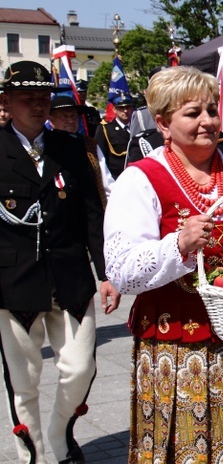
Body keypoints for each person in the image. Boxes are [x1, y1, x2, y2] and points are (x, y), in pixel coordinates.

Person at [104, 66, 223, 463]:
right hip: (176, 347)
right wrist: (178, 245)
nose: (208, 122)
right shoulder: (141, 180)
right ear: (162, 122)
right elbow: (122, 270)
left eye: (212, 110)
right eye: (193, 113)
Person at [0, 61, 120, 463]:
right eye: (28, 98)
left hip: (70, 277)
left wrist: (106, 274)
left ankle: (60, 430)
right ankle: (32, 455)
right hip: (14, 283)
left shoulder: (71, 149)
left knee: (80, 367)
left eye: (44, 97)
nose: (38, 105)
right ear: (7, 102)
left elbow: (92, 214)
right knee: (24, 382)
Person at [48, 96, 114, 204]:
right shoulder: (45, 144)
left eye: (73, 116)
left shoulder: (90, 145)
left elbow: (106, 182)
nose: (70, 120)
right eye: (64, 116)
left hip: (88, 207)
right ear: (51, 119)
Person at [95, 90, 133, 179]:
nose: (125, 111)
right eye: (121, 108)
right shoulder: (105, 129)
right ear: (114, 110)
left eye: (128, 107)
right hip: (115, 178)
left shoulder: (138, 127)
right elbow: (100, 159)